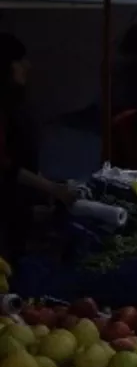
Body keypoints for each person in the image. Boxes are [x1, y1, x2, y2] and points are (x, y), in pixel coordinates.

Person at [0, 34, 78, 262]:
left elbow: (23, 160)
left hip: (16, 211)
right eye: (20, 60)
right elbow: (7, 167)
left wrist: (46, 190)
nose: (27, 65)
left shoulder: (16, 105)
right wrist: (53, 189)